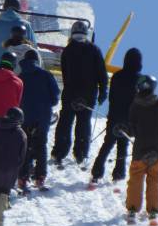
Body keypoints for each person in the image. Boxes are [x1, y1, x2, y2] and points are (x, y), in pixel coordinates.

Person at [51, 20, 108, 167]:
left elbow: (64, 72)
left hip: (70, 92)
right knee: (83, 123)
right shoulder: (94, 50)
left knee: (65, 122)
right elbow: (102, 73)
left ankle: (59, 151)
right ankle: (81, 153)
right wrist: (102, 91)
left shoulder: (68, 50)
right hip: (88, 94)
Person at [125, 75, 158, 226]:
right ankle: (153, 209)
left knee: (136, 178)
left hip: (140, 149)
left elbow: (131, 130)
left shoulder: (135, 105)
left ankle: (133, 209)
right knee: (154, 178)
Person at [89, 48, 143, 185]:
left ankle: (96, 172)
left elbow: (112, 97)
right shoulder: (140, 80)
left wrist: (112, 113)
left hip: (114, 116)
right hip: (129, 119)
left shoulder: (117, 76)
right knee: (122, 145)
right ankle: (118, 174)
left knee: (107, 144)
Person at [17, 50, 60, 191]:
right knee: (41, 145)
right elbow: (55, 98)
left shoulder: (20, 77)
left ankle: (23, 177)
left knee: (25, 145)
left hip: (24, 117)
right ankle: (40, 176)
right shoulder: (46, 75)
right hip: (42, 117)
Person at [0, 0, 37, 66]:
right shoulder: (26, 25)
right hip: (20, 69)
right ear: (18, 8)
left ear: (4, 8)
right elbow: (34, 48)